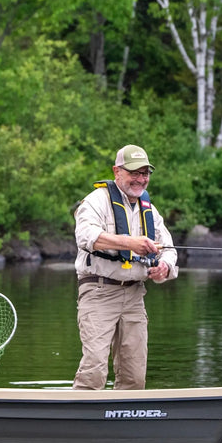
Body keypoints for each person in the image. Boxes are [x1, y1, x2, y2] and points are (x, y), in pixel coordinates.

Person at [72, 144, 178, 390]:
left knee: (134, 376)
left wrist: (164, 267)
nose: (141, 179)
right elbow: (87, 236)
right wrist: (130, 242)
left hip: (134, 295)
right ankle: (79, 421)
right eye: (134, 172)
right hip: (98, 291)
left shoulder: (149, 209)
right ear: (116, 171)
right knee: (94, 370)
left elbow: (170, 250)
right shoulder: (96, 200)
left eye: (145, 173)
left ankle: (122, 424)